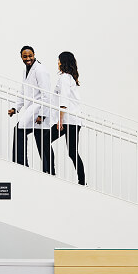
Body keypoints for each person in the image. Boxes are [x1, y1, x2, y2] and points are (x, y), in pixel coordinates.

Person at [7, 46, 54, 174]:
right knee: (39, 139)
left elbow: (47, 95)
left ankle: (24, 165)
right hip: (32, 109)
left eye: (30, 56)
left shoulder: (40, 70)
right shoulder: (26, 70)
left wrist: (42, 115)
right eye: (25, 56)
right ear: (21, 57)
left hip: (39, 109)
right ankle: (25, 165)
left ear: (34, 55)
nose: (28, 59)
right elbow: (23, 90)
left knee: (23, 132)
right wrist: (15, 108)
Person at [50, 51, 85, 185]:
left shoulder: (65, 78)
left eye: (59, 60)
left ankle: (50, 171)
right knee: (72, 152)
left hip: (68, 120)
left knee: (44, 139)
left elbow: (63, 100)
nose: (57, 63)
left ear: (63, 62)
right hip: (74, 120)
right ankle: (82, 181)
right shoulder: (70, 78)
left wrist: (60, 120)